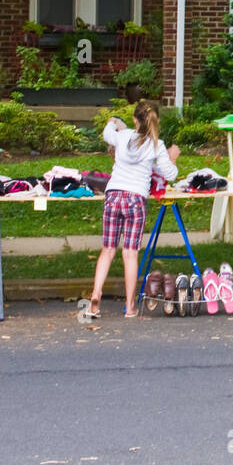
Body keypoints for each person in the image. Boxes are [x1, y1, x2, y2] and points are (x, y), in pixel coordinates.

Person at [85, 101, 180, 319]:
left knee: (107, 250)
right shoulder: (157, 144)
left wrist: (114, 122)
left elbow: (107, 132)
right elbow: (170, 174)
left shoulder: (122, 136)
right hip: (135, 199)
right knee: (129, 253)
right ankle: (129, 306)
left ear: (135, 120)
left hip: (113, 195)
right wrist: (173, 155)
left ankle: (95, 297)